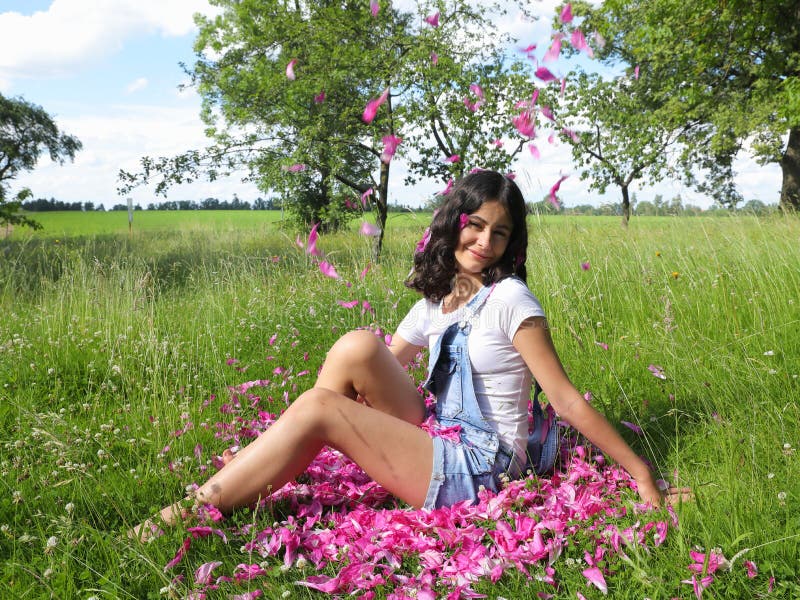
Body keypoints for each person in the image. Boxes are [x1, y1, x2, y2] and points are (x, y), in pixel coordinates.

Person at [133, 170, 688, 540]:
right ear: (454, 224)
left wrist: (643, 477)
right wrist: (352, 407)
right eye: (475, 225)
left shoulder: (511, 300)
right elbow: (371, 372)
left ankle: (189, 512)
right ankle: (296, 452)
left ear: (511, 244)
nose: (484, 243)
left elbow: (564, 398)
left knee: (318, 409)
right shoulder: (437, 300)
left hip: (483, 468)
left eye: (500, 234)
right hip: (443, 434)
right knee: (356, 348)